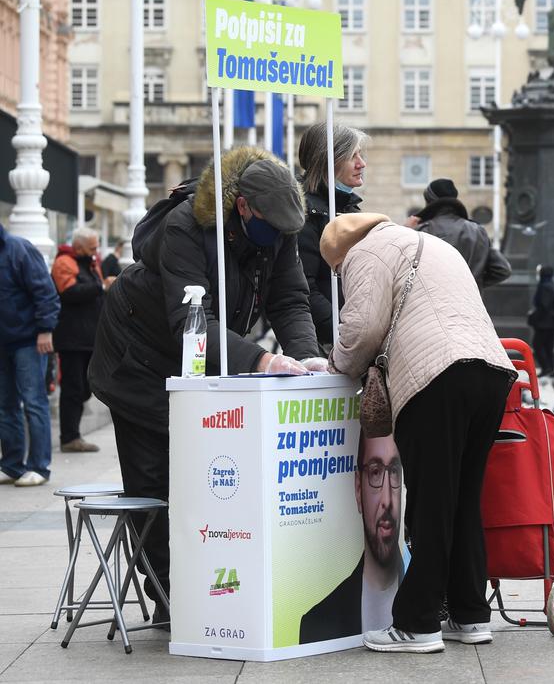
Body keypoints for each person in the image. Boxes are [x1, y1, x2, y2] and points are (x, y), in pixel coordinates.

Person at [89, 147, 326, 602]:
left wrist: (306, 356)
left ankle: (210, 590)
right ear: (243, 206)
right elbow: (191, 321)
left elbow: (290, 300)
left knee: (205, 478)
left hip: (198, 360)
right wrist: (262, 361)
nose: (277, 236)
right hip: (138, 358)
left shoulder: (280, 227)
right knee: (155, 482)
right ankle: (171, 597)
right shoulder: (187, 225)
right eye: (271, 226)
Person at [321, 213, 517, 654]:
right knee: (464, 500)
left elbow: (363, 329)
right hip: (492, 372)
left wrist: (335, 364)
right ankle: (470, 614)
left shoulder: (365, 253)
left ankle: (417, 623)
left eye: (337, 272)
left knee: (431, 505)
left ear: (340, 257)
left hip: (436, 377)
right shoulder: (428, 244)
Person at [300, 432, 404, 644]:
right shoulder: (316, 623)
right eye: (375, 473)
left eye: (394, 472)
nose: (387, 500)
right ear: (358, 489)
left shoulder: (434, 604)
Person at [296, 121, 369, 347]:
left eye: (360, 155)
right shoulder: (305, 213)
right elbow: (304, 289)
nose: (362, 164)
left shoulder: (349, 209)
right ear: (328, 161)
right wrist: (344, 333)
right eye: (352, 156)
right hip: (328, 342)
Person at [0, 223, 59, 487]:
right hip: (4, 342)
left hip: (28, 340)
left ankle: (39, 466)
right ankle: (12, 465)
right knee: (5, 405)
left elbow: (45, 291)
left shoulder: (18, 249)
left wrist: (45, 330)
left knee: (34, 402)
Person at [51, 227, 104, 453]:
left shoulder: (90, 263)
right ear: (79, 246)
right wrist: (100, 287)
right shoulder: (64, 262)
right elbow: (69, 292)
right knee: (73, 388)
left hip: (89, 337)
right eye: (92, 247)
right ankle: (70, 437)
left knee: (84, 388)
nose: (95, 251)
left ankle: (73, 435)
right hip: (71, 338)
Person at [412, 178, 512, 289]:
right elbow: (502, 269)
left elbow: (402, 270)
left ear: (429, 202)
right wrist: (473, 285)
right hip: (469, 299)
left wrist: (406, 230)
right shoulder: (477, 231)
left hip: (431, 298)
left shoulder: (420, 232)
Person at [527, 265, 554, 380]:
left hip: (544, 323)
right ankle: (551, 370)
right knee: (548, 347)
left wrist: (534, 316)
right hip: (552, 323)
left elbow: (544, 305)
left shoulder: (544, 286)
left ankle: (546, 368)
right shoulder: (552, 285)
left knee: (537, 345)